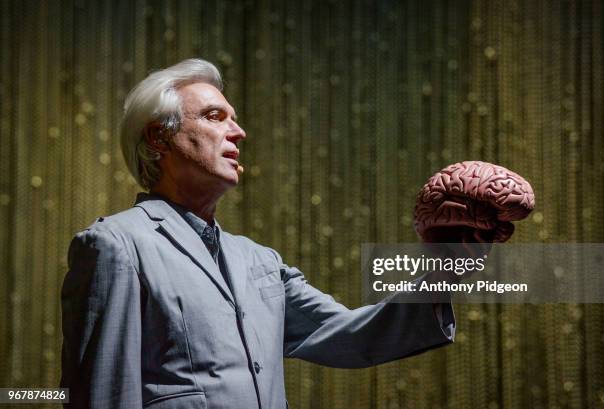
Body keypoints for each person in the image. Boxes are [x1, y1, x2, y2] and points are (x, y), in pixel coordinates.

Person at [60, 58, 455, 409]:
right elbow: (103, 394)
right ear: (158, 136)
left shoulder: (260, 261)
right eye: (215, 117)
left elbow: (354, 336)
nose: (239, 132)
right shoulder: (116, 245)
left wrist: (449, 265)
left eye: (233, 118)